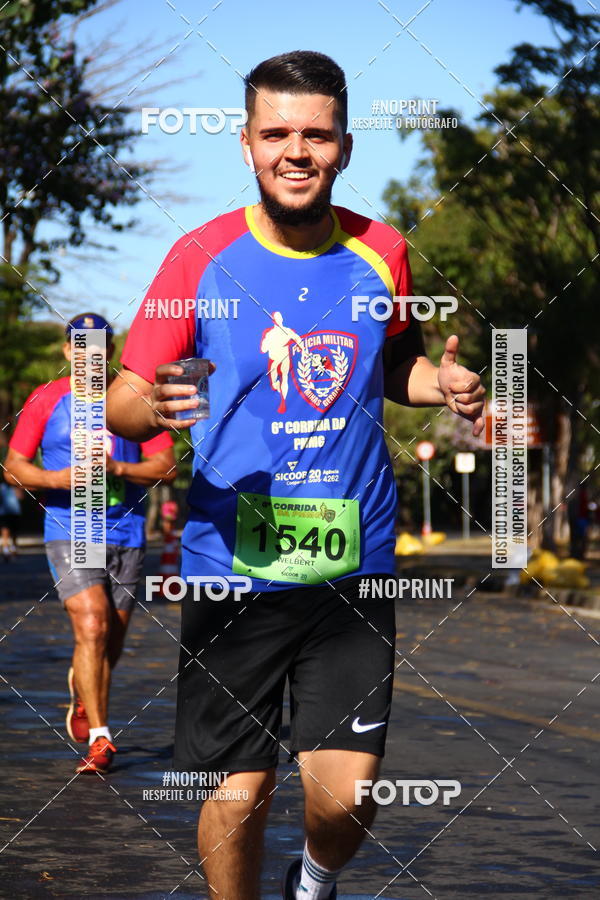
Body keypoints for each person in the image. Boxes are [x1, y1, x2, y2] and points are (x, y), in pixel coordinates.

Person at [106, 51, 485, 899]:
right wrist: (155, 406)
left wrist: (444, 386)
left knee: (343, 801)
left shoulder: (384, 251)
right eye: (276, 132)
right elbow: (126, 397)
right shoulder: (198, 258)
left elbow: (395, 370)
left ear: (345, 146)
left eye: (316, 134)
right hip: (227, 570)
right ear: (245, 144)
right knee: (236, 798)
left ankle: (311, 882)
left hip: (351, 568)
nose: (296, 150)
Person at [5, 312, 177, 774]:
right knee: (94, 626)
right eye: (80, 347)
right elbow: (14, 466)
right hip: (71, 528)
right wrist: (55, 478)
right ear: (68, 352)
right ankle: (101, 739)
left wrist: (119, 470)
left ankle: (83, 690)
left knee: (110, 644)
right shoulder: (47, 399)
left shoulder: (132, 400)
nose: (89, 357)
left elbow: (166, 465)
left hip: (126, 531)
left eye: (98, 348)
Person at [0, 477, 22, 561]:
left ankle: (14, 549)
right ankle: (5, 551)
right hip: (4, 512)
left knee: (14, 532)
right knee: (5, 531)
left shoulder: (16, 487)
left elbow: (21, 497)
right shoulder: (1, 487)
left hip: (15, 511)